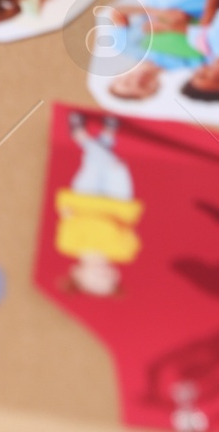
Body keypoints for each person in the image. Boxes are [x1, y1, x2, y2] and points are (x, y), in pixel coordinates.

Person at [55, 111, 142, 297]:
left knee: (94, 165)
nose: (102, 276)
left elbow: (68, 221)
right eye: (108, 280)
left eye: (95, 280)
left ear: (77, 273)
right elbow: (128, 229)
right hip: (117, 203)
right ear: (115, 275)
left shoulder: (68, 245)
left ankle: (91, 135)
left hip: (84, 200)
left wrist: (67, 214)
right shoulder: (124, 252)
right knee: (117, 168)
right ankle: (95, 136)